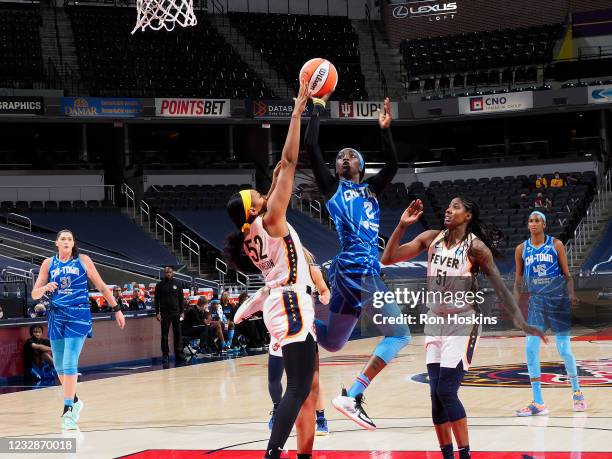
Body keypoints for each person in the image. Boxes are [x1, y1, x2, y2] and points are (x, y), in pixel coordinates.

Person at [381, 197, 546, 459]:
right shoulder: (430, 237)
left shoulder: (476, 247)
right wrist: (401, 225)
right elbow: (388, 258)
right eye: (448, 206)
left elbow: (500, 288)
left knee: (446, 391)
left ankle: (465, 454)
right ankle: (447, 455)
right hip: (435, 321)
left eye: (456, 207)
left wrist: (521, 320)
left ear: (468, 216)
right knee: (436, 398)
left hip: (463, 322)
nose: (448, 209)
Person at [224, 80, 318, 459]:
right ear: (254, 209)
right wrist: (296, 111)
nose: (264, 194)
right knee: (297, 387)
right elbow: (290, 163)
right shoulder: (273, 218)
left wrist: (301, 116)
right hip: (291, 302)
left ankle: (304, 454)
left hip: (283, 305)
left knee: (308, 387)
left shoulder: (251, 234)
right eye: (258, 196)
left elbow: (280, 167)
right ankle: (272, 453)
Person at [304, 93, 410, 430]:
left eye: (352, 156)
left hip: (347, 275)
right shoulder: (333, 189)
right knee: (400, 335)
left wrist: (385, 130)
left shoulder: (371, 190)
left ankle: (300, 318)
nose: (345, 159)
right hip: (360, 269)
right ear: (336, 169)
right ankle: (353, 395)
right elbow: (311, 147)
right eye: (340, 158)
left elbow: (392, 166)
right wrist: (315, 110)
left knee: (333, 342)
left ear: (362, 167)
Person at [31, 229, 125, 430]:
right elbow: (34, 294)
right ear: (57, 243)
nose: (66, 241)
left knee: (69, 360)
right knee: (59, 364)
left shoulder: (83, 260)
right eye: (63, 239)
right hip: (56, 315)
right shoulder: (48, 263)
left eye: (70, 239)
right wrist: (45, 288)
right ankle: (75, 399)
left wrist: (116, 308)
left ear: (73, 243)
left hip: (79, 314)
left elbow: (101, 286)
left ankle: (68, 410)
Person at [513, 211, 586, 416]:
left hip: (558, 302)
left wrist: (571, 295)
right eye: (530, 221)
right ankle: (538, 402)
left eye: (537, 221)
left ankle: (577, 392)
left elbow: (568, 275)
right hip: (537, 303)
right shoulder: (521, 249)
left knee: (564, 351)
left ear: (544, 224)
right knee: (530, 348)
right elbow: (519, 281)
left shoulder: (556, 245)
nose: (533, 224)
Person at [266, 248, 332, 436]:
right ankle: (277, 410)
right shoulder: (277, 272)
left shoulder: (311, 270)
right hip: (280, 328)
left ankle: (320, 418)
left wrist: (324, 297)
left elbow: (325, 291)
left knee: (313, 379)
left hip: (304, 328)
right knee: (274, 379)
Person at [155, 266, 185, 367]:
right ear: (164, 273)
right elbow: (156, 300)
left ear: (173, 273)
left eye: (170, 272)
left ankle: (179, 353)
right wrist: (157, 312)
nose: (168, 274)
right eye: (166, 272)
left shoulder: (178, 284)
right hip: (164, 313)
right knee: (164, 335)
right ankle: (165, 355)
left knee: (178, 334)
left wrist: (182, 312)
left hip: (176, 312)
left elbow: (181, 299)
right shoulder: (159, 285)